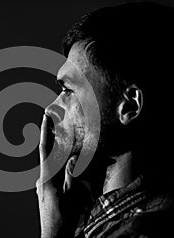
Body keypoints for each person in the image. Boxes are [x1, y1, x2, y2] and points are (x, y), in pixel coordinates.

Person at [36, 2, 174, 238]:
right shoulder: (106, 224)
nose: (51, 108)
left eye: (69, 90)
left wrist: (52, 232)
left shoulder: (140, 230)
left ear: (129, 105)